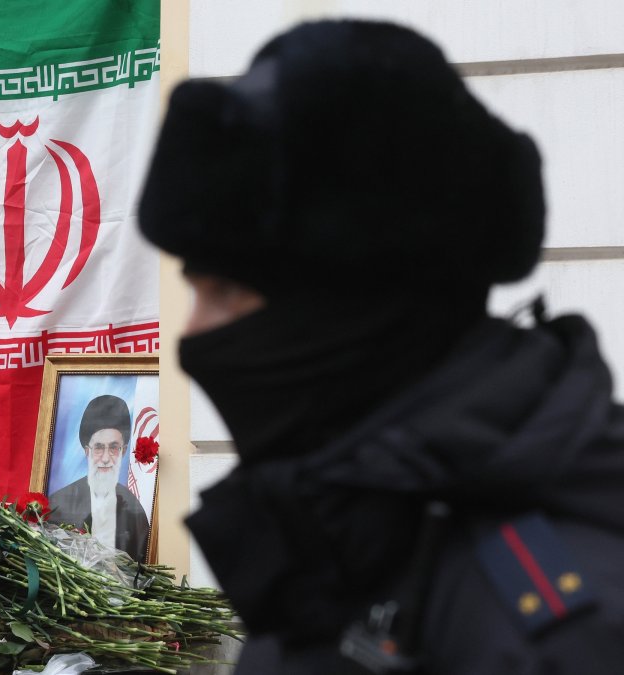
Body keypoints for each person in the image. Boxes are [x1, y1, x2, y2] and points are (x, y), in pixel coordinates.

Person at [138, 19, 624, 675]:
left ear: (350, 308)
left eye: (225, 291)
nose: (192, 332)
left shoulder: (556, 627)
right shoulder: (335, 540)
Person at [48, 394, 150, 561]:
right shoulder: (58, 504)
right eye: (98, 447)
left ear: (123, 451)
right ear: (87, 451)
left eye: (113, 447)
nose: (105, 458)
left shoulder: (135, 510)